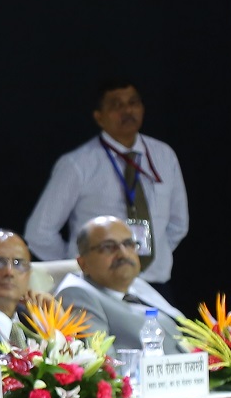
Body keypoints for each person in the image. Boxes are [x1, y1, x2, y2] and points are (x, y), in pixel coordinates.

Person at [24, 79, 189, 286]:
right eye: (116, 105)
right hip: (97, 285)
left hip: (154, 283)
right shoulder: (77, 164)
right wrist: (80, 263)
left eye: (133, 103)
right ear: (99, 117)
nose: (127, 110)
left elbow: (178, 224)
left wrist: (151, 257)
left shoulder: (164, 156)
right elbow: (39, 232)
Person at [55, 215, 187, 351]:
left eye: (129, 244)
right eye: (108, 247)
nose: (123, 254)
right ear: (83, 263)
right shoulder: (76, 294)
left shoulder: (135, 283)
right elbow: (103, 360)